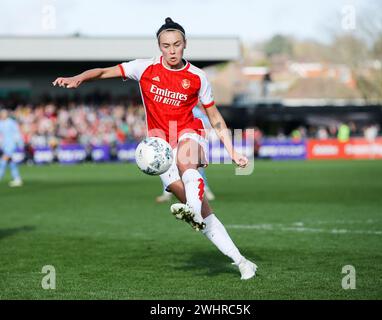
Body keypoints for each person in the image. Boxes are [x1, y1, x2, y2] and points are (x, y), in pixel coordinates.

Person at [52, 17, 257, 280]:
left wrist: (232, 151)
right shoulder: (144, 68)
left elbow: (215, 117)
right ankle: (241, 261)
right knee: (205, 216)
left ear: (185, 45)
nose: (171, 51)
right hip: (159, 145)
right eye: (166, 46)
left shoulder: (197, 77)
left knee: (187, 163)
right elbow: (104, 72)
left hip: (188, 132)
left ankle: (191, 209)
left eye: (177, 45)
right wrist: (79, 78)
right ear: (159, 46)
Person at [156, 105, 215, 203]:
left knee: (194, 166)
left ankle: (205, 190)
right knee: (167, 165)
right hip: (172, 139)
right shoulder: (171, 105)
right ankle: (167, 193)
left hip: (188, 139)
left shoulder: (193, 109)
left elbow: (206, 123)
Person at [0, 109, 24, 187]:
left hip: (11, 144)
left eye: (4, 114)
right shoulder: (1, 123)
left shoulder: (11, 122)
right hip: (5, 145)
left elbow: (17, 133)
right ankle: (17, 179)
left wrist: (20, 143)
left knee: (3, 161)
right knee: (11, 163)